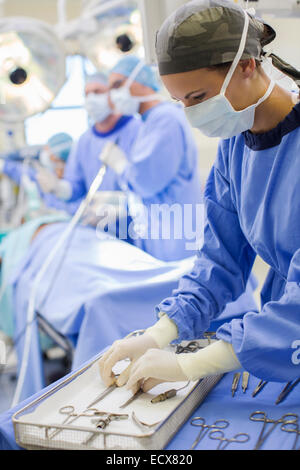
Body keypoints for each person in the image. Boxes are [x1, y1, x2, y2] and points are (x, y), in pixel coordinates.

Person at [99, 0, 300, 394]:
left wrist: (196, 362)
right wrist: (161, 331)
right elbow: (220, 260)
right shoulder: (235, 148)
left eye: (197, 96)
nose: (190, 113)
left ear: (246, 66)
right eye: (180, 102)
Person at [107, 55, 204, 261]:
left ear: (141, 81)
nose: (114, 95)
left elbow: (145, 181)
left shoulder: (165, 120)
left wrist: (121, 165)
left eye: (118, 85)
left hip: (178, 239)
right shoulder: (149, 122)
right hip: (164, 235)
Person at [36, 73, 141, 212]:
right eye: (87, 94)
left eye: (97, 92)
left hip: (138, 225)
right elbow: (76, 186)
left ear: (113, 93)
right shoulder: (84, 142)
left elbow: (148, 183)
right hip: (98, 227)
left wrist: (123, 208)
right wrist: (60, 188)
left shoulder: (138, 130)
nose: (91, 99)